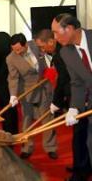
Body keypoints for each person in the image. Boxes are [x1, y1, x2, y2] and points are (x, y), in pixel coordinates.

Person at [35, 29, 86, 174]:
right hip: (77, 94)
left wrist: (57, 102)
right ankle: (80, 166)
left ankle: (81, 170)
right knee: (79, 135)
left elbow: (65, 79)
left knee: (80, 136)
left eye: (43, 46)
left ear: (51, 41)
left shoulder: (62, 54)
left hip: (79, 96)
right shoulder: (62, 51)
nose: (42, 50)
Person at [51, 14, 92, 181]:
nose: (54, 37)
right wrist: (75, 107)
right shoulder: (66, 52)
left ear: (69, 29)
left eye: (55, 32)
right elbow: (77, 82)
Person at [6, 33, 57, 159]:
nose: (16, 52)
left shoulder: (35, 45)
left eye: (18, 49)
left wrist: (51, 69)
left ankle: (50, 147)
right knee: (27, 120)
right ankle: (27, 148)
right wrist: (13, 95)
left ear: (25, 45)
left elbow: (48, 55)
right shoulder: (11, 59)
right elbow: (13, 78)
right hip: (27, 91)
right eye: (14, 49)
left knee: (47, 118)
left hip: (44, 86)